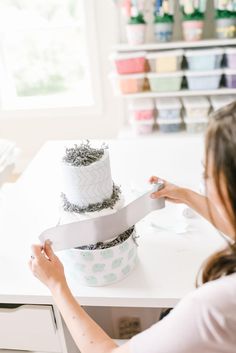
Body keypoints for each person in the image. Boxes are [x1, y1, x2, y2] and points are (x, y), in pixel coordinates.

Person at [29, 103, 236, 353]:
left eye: (207, 174)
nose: (204, 182)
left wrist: (56, 285)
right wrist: (189, 196)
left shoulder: (213, 308)